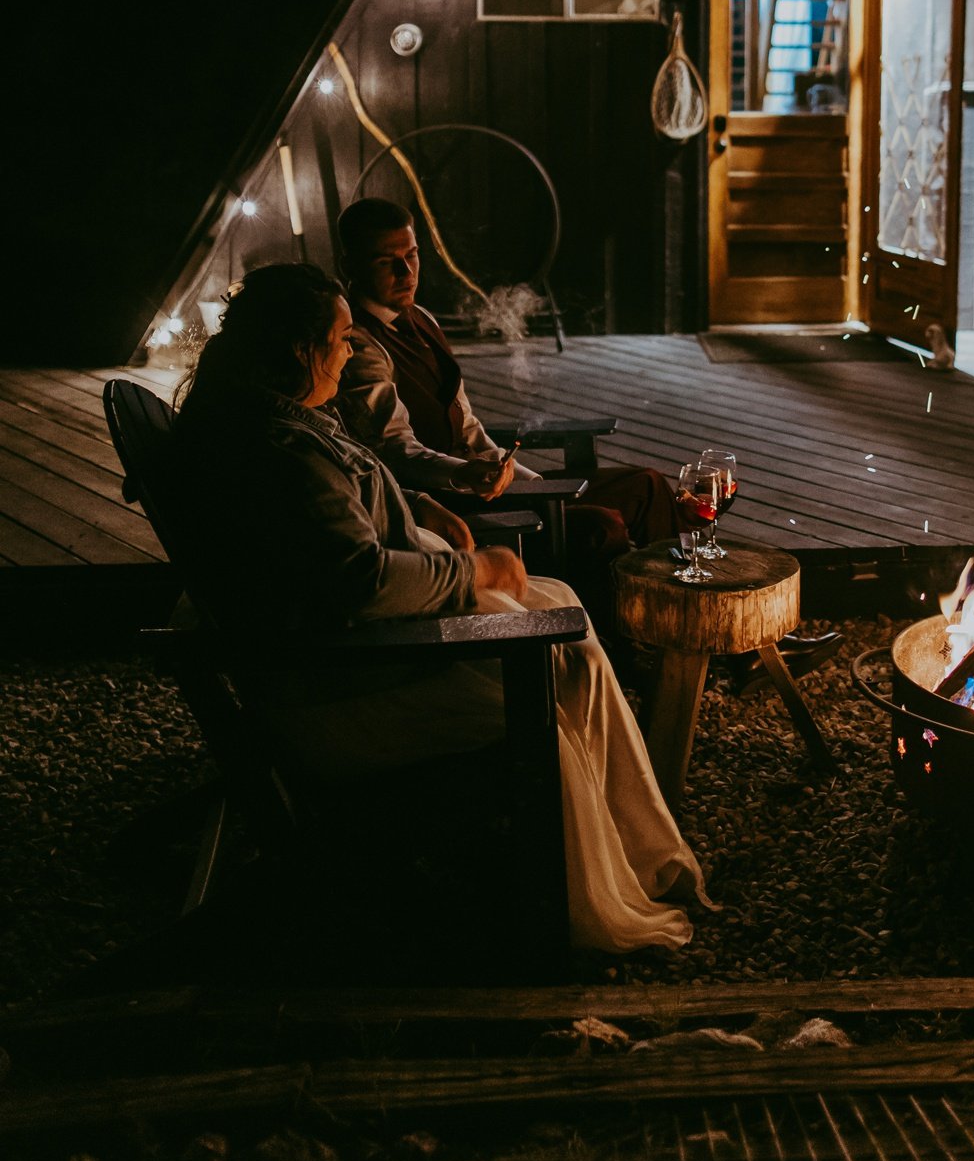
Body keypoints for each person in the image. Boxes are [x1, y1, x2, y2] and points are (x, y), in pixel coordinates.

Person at [172, 262, 707, 955]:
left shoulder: (274, 413)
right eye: (338, 340)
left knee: (562, 605)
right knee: (551, 693)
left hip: (353, 648)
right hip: (336, 690)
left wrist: (413, 500)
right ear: (300, 349)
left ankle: (639, 846)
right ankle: (578, 899)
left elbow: (346, 499)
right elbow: (359, 582)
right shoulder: (276, 451)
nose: (348, 351)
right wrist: (474, 570)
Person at [331, 199, 684, 612]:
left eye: (411, 256)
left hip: (495, 483)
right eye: (386, 263)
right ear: (349, 265)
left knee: (648, 486)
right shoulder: (356, 342)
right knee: (603, 527)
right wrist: (465, 473)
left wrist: (529, 480)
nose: (406, 273)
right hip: (455, 507)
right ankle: (634, 644)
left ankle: (688, 621)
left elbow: (466, 425)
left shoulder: (421, 317)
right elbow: (394, 448)